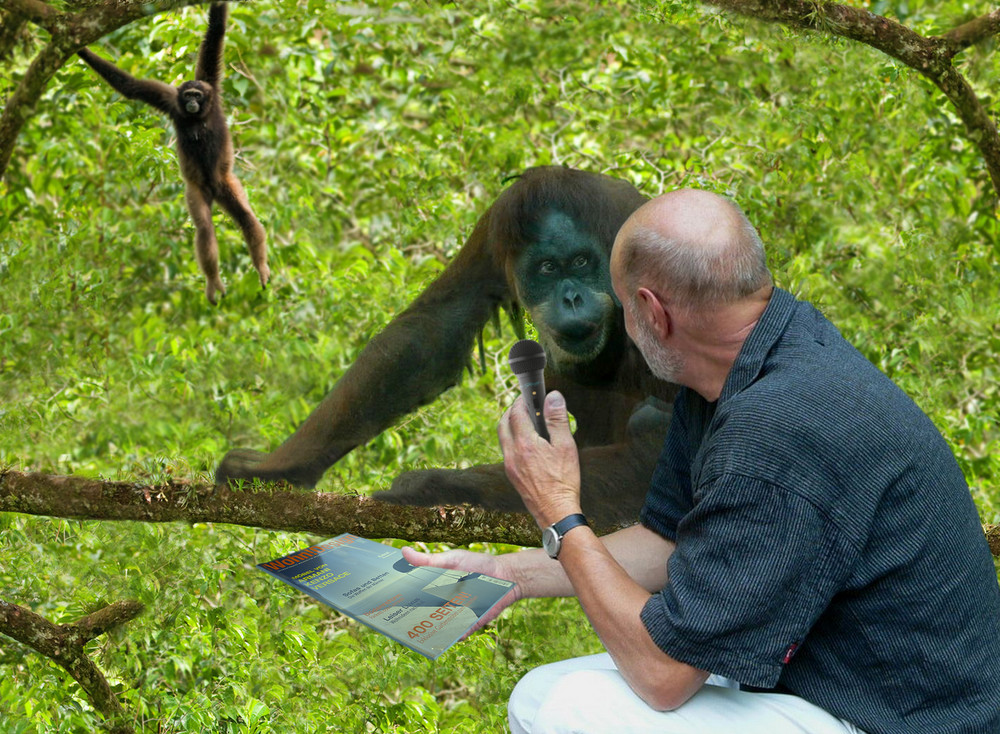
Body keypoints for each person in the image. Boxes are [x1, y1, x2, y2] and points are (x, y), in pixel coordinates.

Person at [402, 189, 1000, 734]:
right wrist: (499, 574)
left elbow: (663, 676)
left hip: (900, 719)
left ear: (652, 313)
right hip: (828, 675)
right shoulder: (745, 363)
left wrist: (560, 512)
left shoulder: (779, 430)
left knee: (568, 713)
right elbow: (666, 542)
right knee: (541, 695)